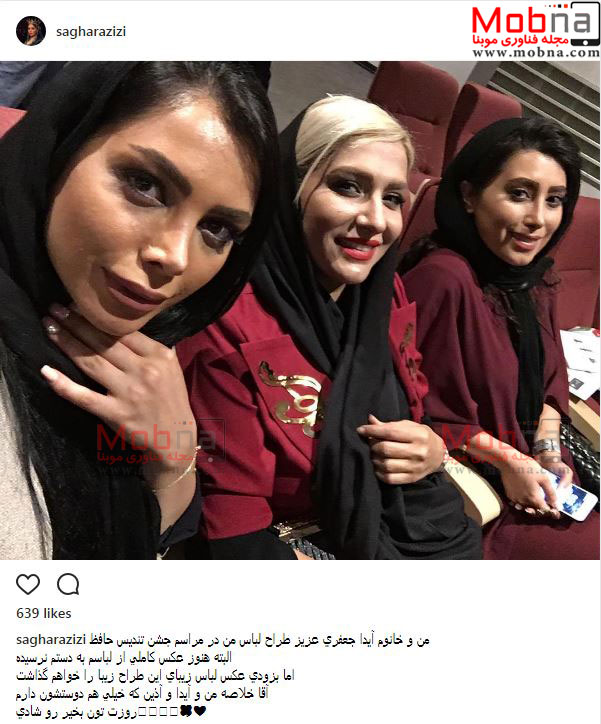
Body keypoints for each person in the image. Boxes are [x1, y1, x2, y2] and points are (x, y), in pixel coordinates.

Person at [177, 95, 482, 560]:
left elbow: (414, 404)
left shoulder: (383, 294)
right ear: (292, 188)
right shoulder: (227, 323)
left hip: (398, 516)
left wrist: (432, 447)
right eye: (348, 187)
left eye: (393, 198)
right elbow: (231, 524)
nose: (375, 220)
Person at [0, 61, 278, 559]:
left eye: (216, 228)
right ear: (62, 145)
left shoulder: (147, 362)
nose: (175, 256)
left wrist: (175, 454)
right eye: (145, 184)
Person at [401, 117, 599, 559]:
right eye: (520, 194)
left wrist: (548, 452)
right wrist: (510, 462)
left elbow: (550, 387)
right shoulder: (442, 279)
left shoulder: (534, 278)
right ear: (469, 196)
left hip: (536, 473)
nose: (537, 220)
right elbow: (416, 413)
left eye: (555, 200)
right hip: (472, 490)